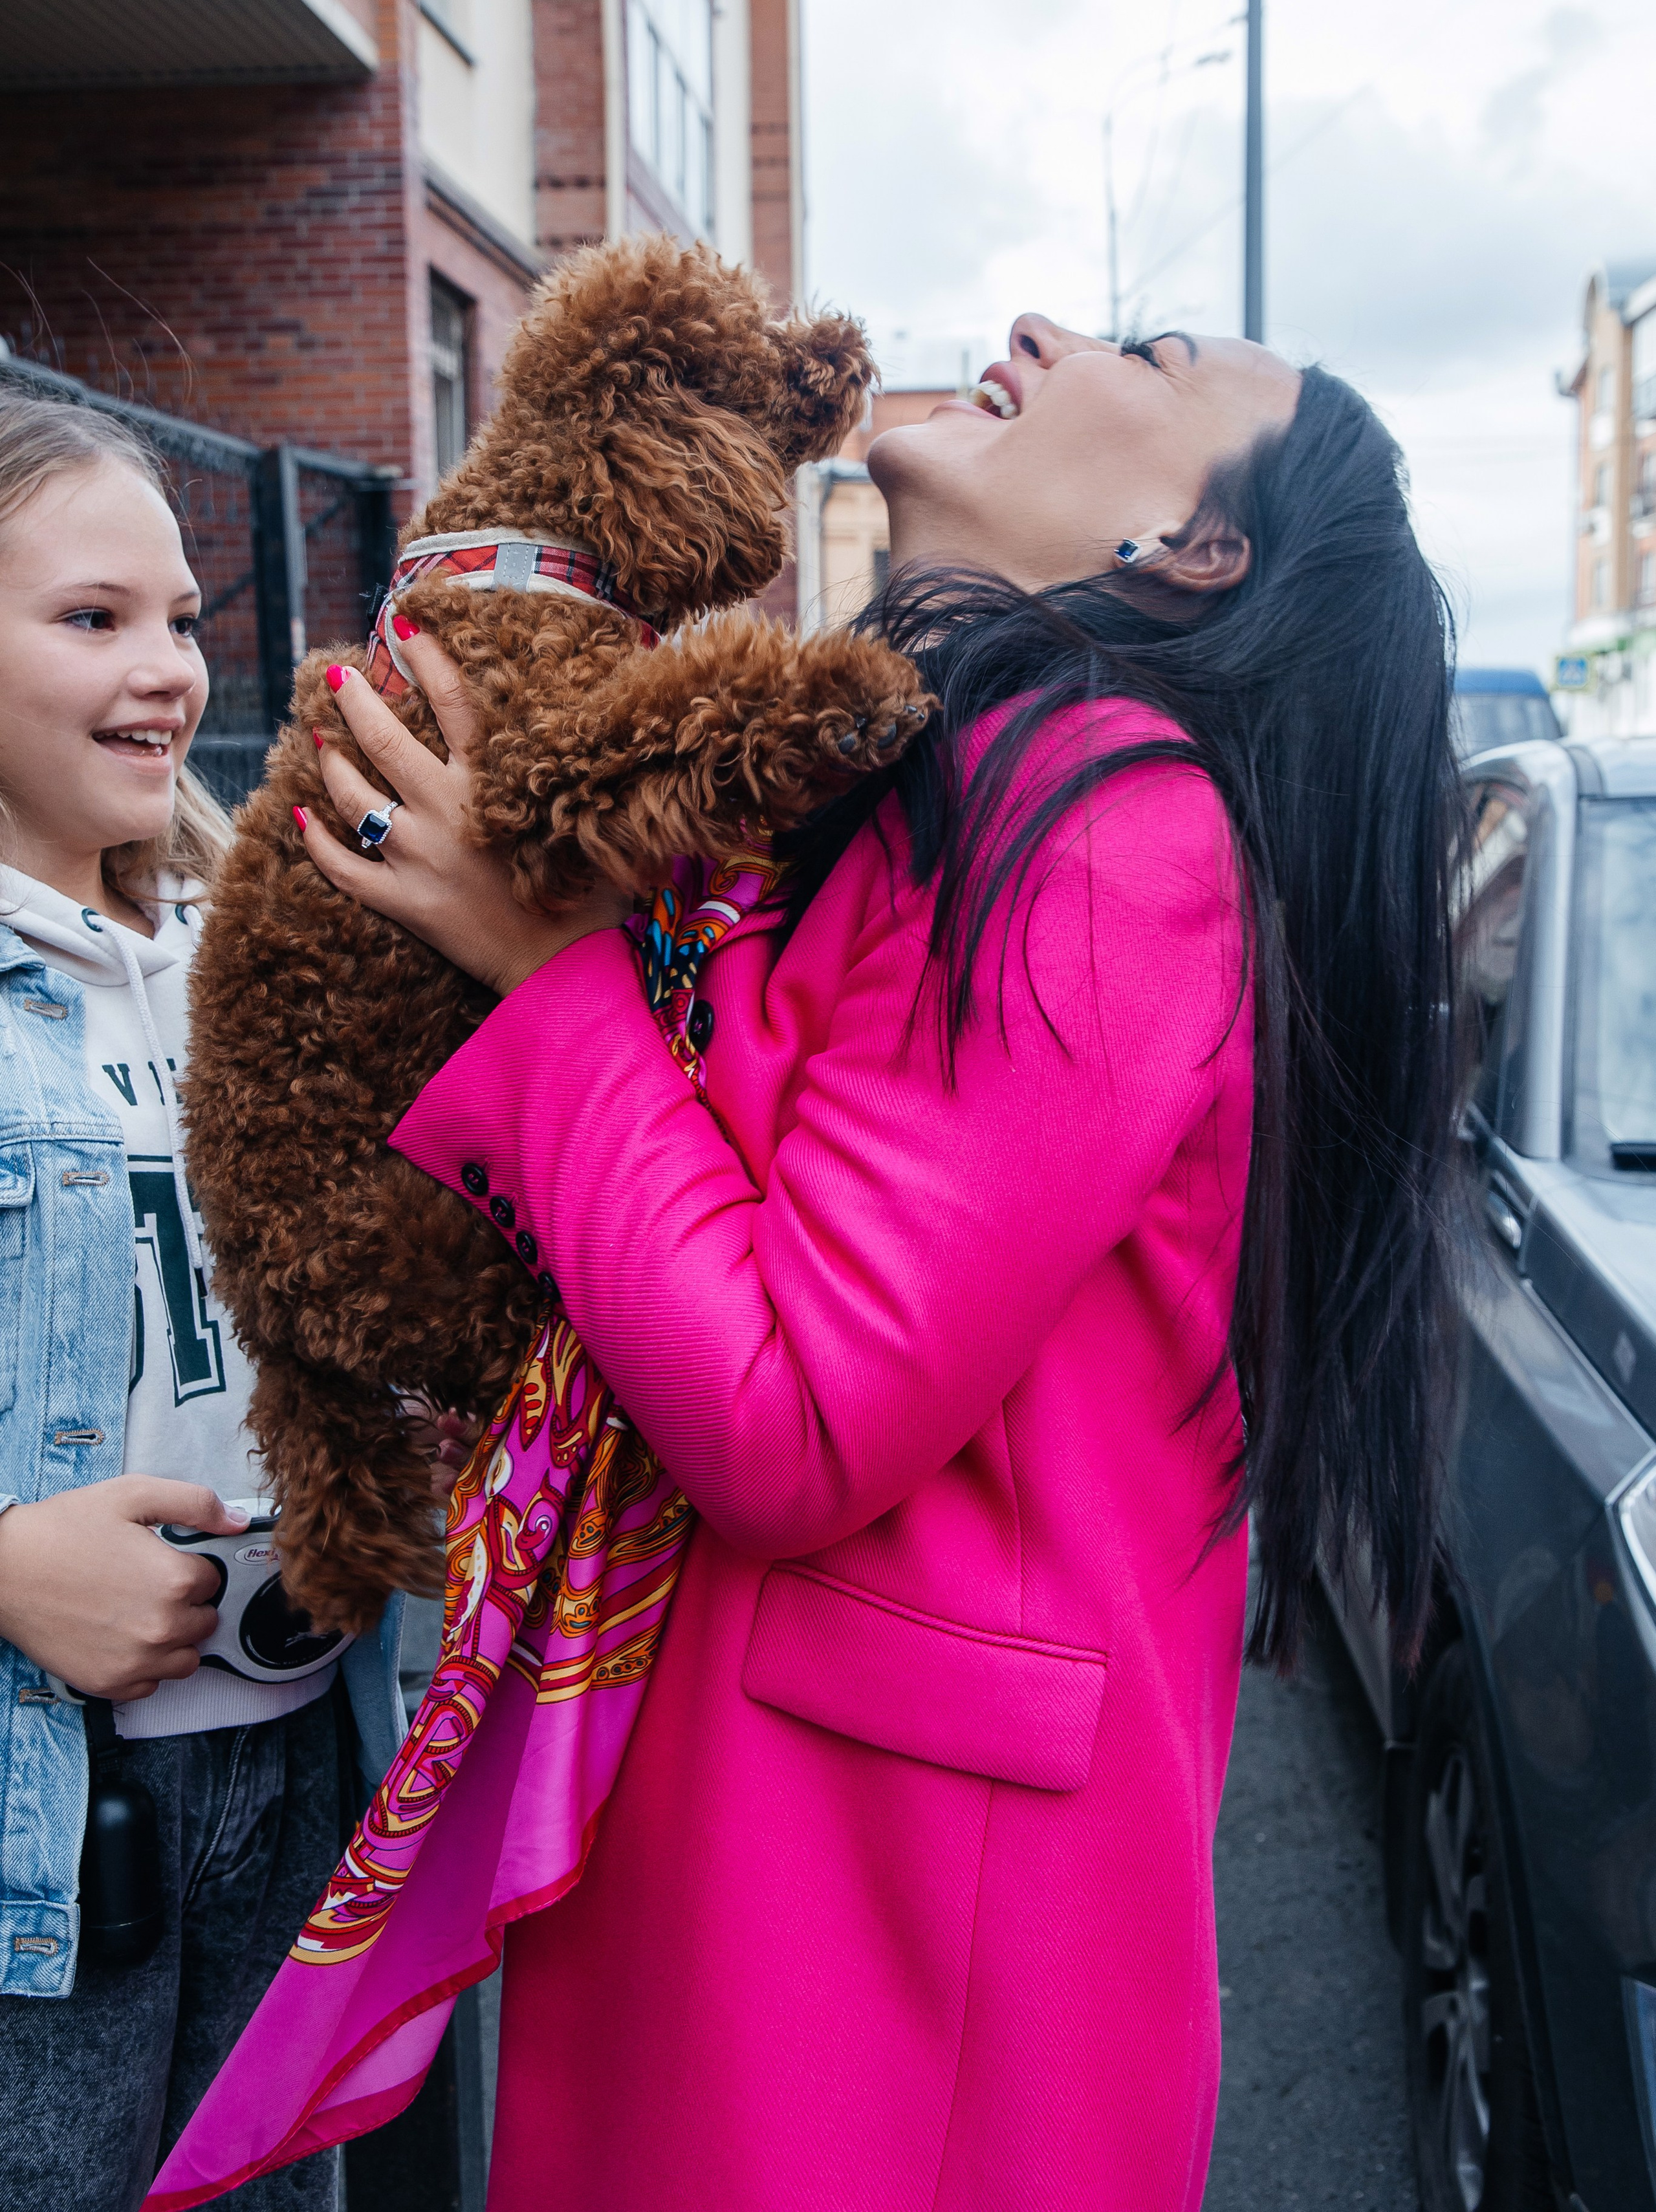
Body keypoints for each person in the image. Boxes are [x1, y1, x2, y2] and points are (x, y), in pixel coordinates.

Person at [296, 318, 1463, 2210]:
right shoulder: (971, 777)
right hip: (808, 1853)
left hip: (897, 1937)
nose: (1038, 334)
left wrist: (555, 973)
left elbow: (793, 1403)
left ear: (1193, 539)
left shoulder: (1110, 825)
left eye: (1147, 352)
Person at [0, 395, 406, 2212]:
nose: (167, 670)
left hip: (301, 1766)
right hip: (44, 1829)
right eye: (93, 620)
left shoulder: (241, 955)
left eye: (180, 618)